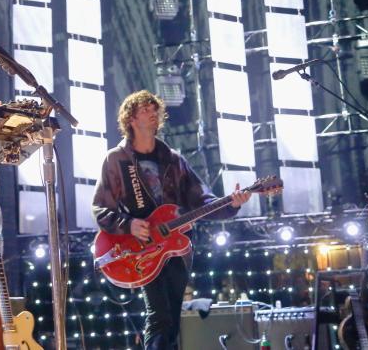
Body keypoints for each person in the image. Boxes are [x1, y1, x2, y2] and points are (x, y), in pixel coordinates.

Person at [92, 90, 250, 350]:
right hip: (139, 249)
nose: (154, 114)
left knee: (172, 320)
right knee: (159, 316)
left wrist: (230, 204)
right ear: (130, 118)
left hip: (175, 248)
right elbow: (100, 208)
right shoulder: (117, 160)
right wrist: (129, 224)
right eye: (146, 110)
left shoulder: (174, 160)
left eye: (156, 110)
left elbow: (202, 200)